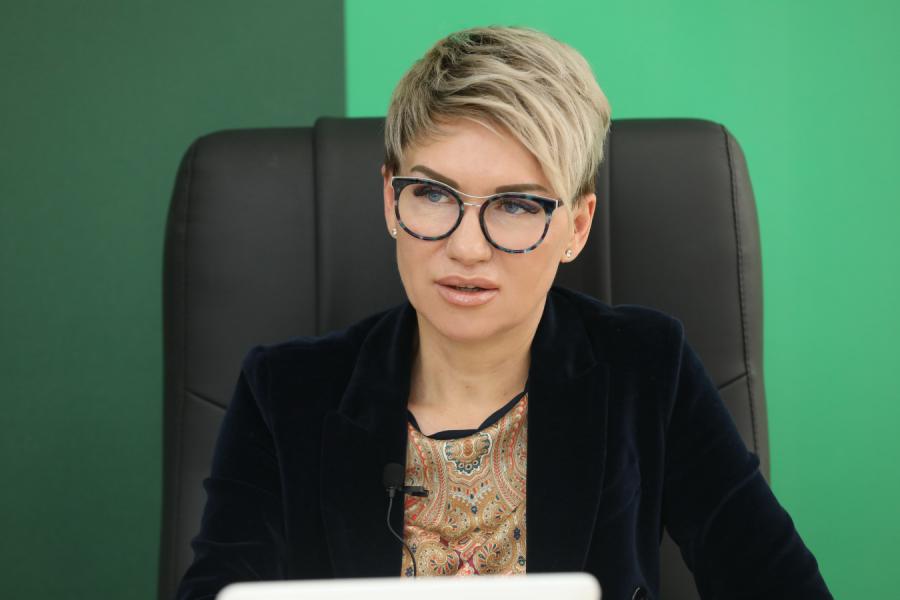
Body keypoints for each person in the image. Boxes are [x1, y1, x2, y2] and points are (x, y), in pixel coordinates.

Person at [175, 25, 832, 600]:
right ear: (389, 199)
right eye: (433, 194)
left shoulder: (646, 370)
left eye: (516, 205)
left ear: (577, 226)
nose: (466, 247)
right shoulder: (284, 393)